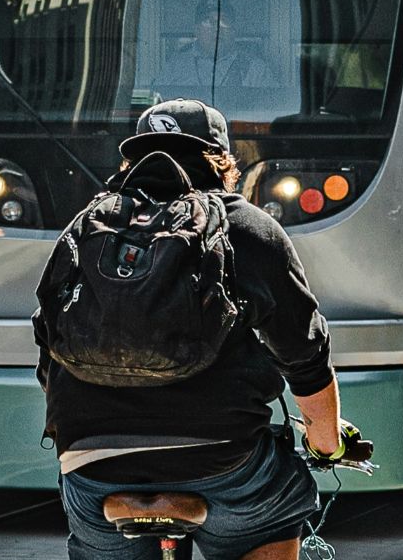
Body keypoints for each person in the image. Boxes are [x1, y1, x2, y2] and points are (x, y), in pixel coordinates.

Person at [39, 99, 341, 560]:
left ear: (130, 164)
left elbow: (49, 345)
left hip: (94, 466)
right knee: (274, 509)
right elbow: (304, 356)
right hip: (225, 462)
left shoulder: (88, 226)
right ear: (224, 164)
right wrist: (326, 443)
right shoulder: (248, 228)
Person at [158, 0, 274, 91]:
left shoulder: (256, 69)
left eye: (224, 22)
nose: (217, 29)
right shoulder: (174, 67)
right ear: (196, 30)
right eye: (208, 22)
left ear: (234, 30)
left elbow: (272, 108)